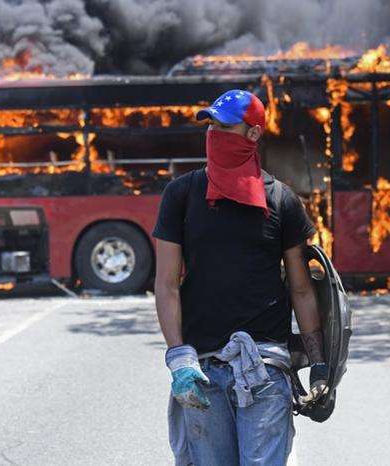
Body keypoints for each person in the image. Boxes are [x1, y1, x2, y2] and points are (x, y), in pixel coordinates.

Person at [152, 89, 328, 466]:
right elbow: (166, 284)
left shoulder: (281, 201)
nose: (213, 133)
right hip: (200, 369)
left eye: (224, 126)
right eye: (210, 126)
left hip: (264, 367)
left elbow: (301, 289)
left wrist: (319, 364)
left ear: (253, 134)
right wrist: (179, 357)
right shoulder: (181, 195)